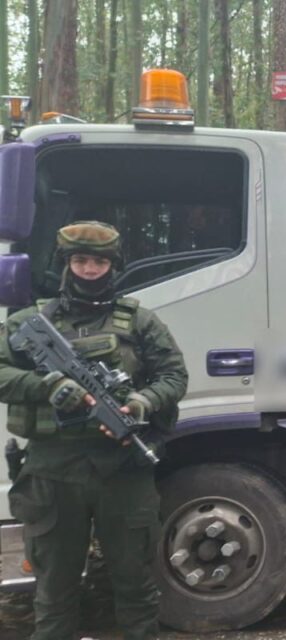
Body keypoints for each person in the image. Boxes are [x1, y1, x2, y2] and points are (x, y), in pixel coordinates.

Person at [0, 221, 188, 640]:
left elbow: (174, 376)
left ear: (112, 266)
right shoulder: (30, 322)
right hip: (53, 472)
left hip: (122, 469)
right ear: (66, 264)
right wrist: (48, 386)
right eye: (80, 260)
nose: (89, 269)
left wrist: (142, 401)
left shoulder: (139, 321)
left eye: (99, 262)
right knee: (54, 591)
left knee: (136, 586)